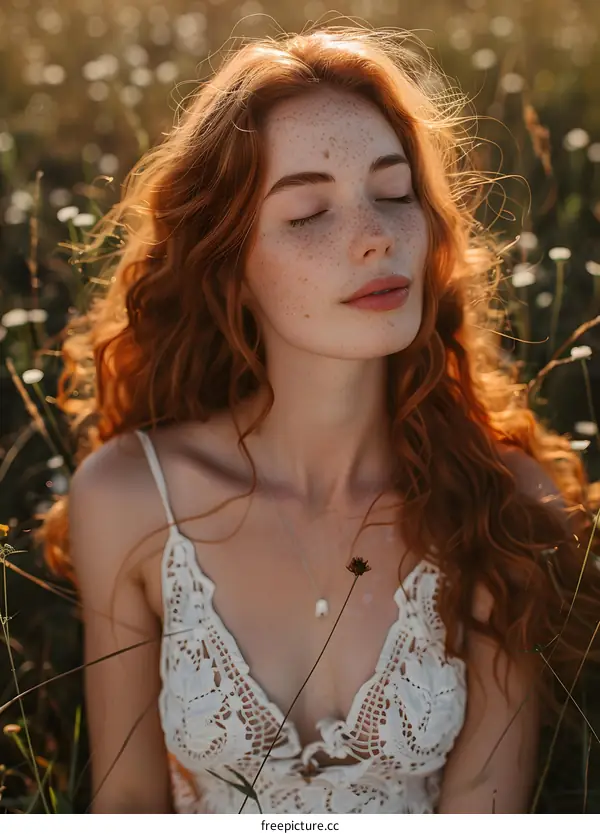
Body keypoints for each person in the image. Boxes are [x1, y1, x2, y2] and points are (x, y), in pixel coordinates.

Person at [37, 26, 599, 814]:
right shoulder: (131, 498)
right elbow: (126, 800)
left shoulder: (501, 505)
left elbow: (487, 811)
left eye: (395, 193)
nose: (375, 238)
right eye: (307, 213)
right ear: (227, 265)